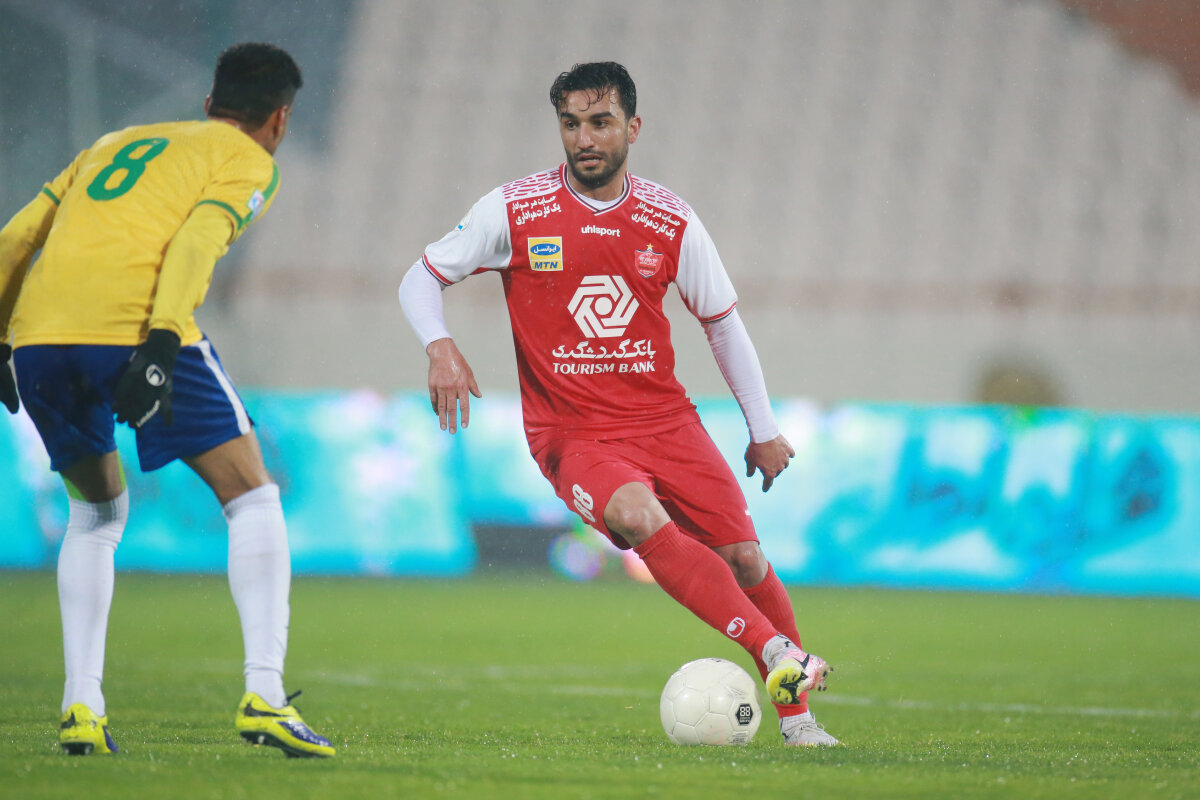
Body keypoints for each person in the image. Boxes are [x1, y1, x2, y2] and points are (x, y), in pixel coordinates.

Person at [398, 61, 839, 747]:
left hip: (667, 422)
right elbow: (421, 278)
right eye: (571, 124)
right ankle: (777, 650)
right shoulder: (514, 210)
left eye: (600, 122)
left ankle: (799, 723)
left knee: (746, 560)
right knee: (635, 514)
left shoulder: (669, 218)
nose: (584, 138)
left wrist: (763, 429)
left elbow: (721, 323)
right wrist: (440, 346)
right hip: (572, 433)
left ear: (633, 128)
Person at [0, 42, 333, 759]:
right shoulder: (248, 160)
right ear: (279, 118)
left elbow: (18, 236)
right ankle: (265, 695)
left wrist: (1, 338)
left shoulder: (112, 143)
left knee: (95, 515)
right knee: (252, 496)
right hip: (135, 328)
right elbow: (196, 240)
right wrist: (158, 346)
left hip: (40, 340)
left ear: (211, 102)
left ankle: (81, 706)